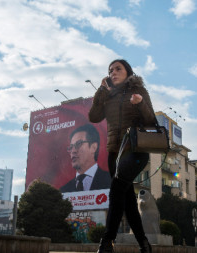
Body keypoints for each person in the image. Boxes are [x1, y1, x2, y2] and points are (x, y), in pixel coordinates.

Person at [89, 59, 155, 253]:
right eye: (110, 70)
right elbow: (93, 117)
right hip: (114, 153)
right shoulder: (108, 96)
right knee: (128, 201)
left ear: (128, 72)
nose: (113, 73)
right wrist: (101, 91)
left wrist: (140, 103)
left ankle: (107, 242)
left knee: (116, 192)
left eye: (118, 69)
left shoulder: (139, 91)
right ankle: (144, 244)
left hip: (135, 151)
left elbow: (151, 120)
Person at [60, 124, 111, 193]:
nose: (73, 151)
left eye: (78, 144)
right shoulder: (64, 191)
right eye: (71, 147)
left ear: (93, 147)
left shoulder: (111, 180)